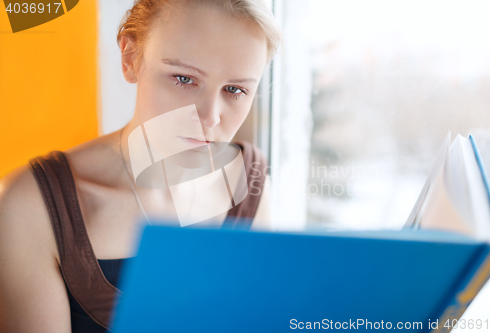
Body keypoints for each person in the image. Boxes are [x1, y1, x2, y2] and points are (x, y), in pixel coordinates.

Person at [0, 0, 283, 331]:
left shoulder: (249, 182)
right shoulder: (30, 207)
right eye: (183, 79)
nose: (209, 117)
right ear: (130, 56)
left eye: (235, 90)